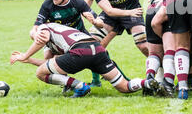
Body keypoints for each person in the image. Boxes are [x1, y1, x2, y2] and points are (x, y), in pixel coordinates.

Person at [10, 23, 159, 97]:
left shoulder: (43, 28)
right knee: (123, 87)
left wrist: (25, 56)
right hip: (97, 50)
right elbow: (49, 64)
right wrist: (29, 61)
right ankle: (147, 83)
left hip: (80, 52)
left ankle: (80, 86)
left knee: (39, 74)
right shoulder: (60, 34)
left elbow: (41, 40)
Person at [29, 0, 105, 87]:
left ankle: (96, 81)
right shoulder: (47, 4)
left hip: (78, 35)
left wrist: (94, 21)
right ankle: (67, 85)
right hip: (57, 38)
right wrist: (35, 34)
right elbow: (35, 27)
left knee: (97, 51)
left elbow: (100, 23)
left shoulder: (77, 2)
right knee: (49, 57)